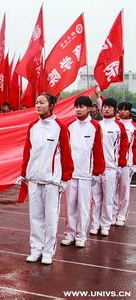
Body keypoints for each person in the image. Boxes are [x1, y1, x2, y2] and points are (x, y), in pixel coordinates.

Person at [17, 93, 73, 265]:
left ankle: (48, 252)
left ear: (51, 105)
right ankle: (35, 249)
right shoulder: (33, 126)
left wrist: (65, 179)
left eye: (42, 102)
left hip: (51, 182)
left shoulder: (60, 127)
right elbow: (28, 152)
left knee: (50, 218)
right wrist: (24, 173)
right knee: (35, 218)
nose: (38, 105)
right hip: (34, 179)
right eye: (36, 103)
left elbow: (66, 155)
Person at [60, 96, 105, 248]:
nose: (78, 109)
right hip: (71, 174)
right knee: (70, 206)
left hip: (86, 174)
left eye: (82, 106)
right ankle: (70, 234)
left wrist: (98, 169)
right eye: (76, 106)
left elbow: (98, 149)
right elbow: (64, 150)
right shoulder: (69, 125)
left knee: (84, 207)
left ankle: (81, 235)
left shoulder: (95, 126)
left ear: (89, 108)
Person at [90, 98, 129, 236]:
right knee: (95, 198)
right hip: (96, 169)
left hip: (111, 168)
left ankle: (105, 224)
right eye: (104, 107)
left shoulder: (119, 126)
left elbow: (124, 147)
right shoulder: (96, 125)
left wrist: (121, 164)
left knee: (108, 198)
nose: (106, 109)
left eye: (109, 107)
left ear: (114, 110)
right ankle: (95, 224)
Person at [115, 101, 135, 226]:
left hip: (127, 163)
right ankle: (113, 214)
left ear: (129, 111)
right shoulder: (115, 124)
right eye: (120, 109)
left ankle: (121, 216)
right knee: (112, 191)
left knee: (124, 189)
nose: (122, 112)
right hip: (113, 163)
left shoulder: (133, 126)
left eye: (125, 110)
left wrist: (133, 163)